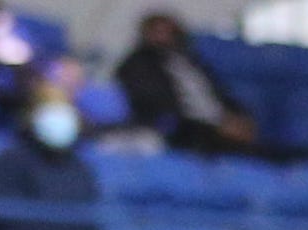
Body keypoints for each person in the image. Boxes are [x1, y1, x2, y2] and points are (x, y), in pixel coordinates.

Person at [116, 12, 271, 157]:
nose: (164, 37)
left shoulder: (190, 61)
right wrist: (215, 126)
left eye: (168, 32)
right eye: (158, 32)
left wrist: (237, 116)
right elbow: (155, 101)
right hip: (183, 127)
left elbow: (218, 93)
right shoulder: (138, 65)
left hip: (216, 122)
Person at [0, 85, 97, 230]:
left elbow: (91, 221)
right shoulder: (5, 164)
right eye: (49, 109)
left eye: (63, 110)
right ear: (31, 115)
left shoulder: (81, 168)